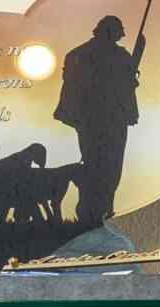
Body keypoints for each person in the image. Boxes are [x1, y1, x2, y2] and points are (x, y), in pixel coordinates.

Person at [54, 13, 145, 226]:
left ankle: (99, 209)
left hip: (98, 120)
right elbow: (122, 83)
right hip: (103, 119)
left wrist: (134, 62)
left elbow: (127, 83)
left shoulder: (78, 54)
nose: (120, 37)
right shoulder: (94, 55)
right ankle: (95, 210)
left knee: (98, 163)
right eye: (117, 33)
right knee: (106, 164)